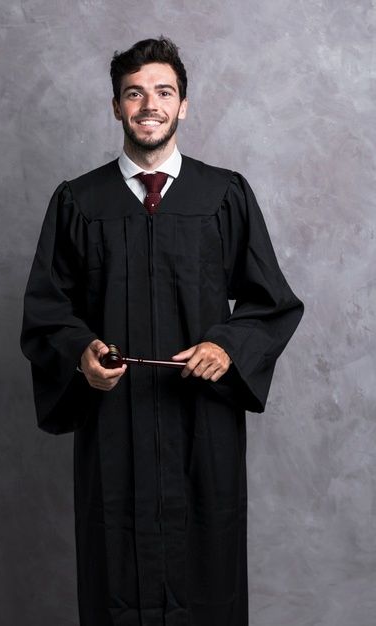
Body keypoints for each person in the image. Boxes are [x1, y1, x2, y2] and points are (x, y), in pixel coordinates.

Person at [20, 36, 304, 626]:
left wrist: (227, 347)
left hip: (202, 425)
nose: (149, 104)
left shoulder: (224, 195)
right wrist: (80, 354)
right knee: (115, 567)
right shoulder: (79, 201)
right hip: (113, 426)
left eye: (163, 92)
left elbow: (270, 302)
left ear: (184, 105)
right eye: (134, 93)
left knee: (206, 575)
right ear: (116, 106)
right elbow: (47, 310)